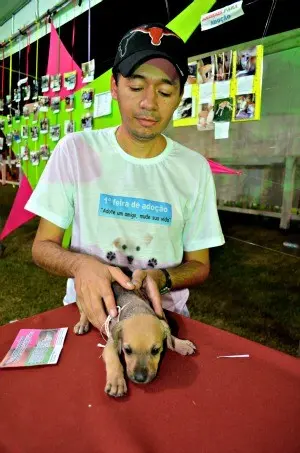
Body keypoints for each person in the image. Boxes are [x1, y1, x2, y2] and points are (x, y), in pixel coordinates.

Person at [25, 23, 225, 331]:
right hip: (89, 315)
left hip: (161, 321)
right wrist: (80, 265)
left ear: (180, 96)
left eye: (165, 91)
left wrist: (165, 278)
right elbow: (43, 245)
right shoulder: (76, 150)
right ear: (114, 87)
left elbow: (199, 265)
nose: (149, 103)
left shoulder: (194, 168)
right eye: (135, 86)